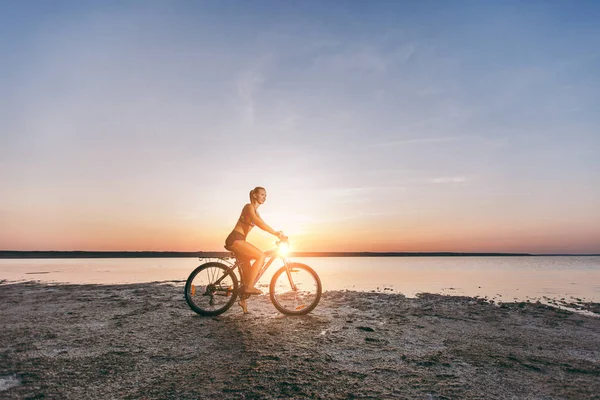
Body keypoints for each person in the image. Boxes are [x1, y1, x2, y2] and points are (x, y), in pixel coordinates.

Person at [224, 187, 283, 310]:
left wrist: (277, 233)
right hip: (235, 239)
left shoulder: (256, 212)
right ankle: (249, 287)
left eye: (265, 195)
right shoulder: (248, 207)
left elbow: (264, 224)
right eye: (262, 194)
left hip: (241, 240)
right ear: (255, 195)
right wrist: (275, 233)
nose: (264, 197)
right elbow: (259, 223)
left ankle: (243, 300)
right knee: (261, 256)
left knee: (248, 273)